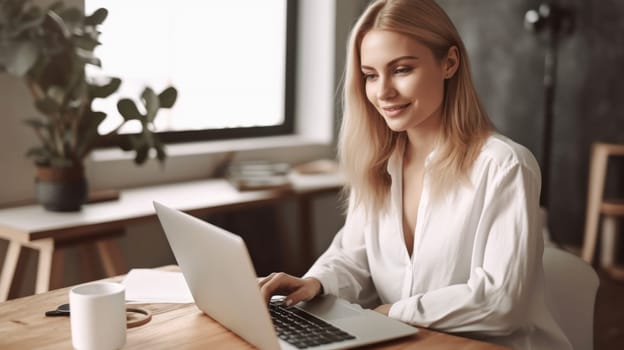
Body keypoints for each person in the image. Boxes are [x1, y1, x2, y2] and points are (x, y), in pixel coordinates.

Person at [259, 0, 571, 349]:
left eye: (402, 69)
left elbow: (500, 302)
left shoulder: (504, 166)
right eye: (370, 75)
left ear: (449, 63)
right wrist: (314, 282)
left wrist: (391, 314)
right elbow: (353, 255)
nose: (383, 92)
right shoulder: (379, 163)